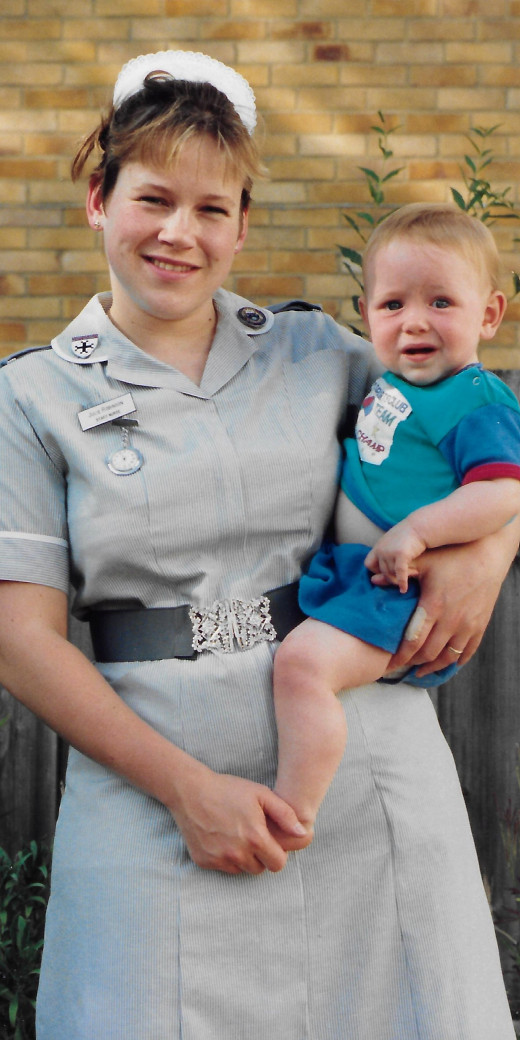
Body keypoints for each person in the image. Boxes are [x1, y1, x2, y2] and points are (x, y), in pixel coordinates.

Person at [0, 50, 517, 1040]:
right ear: (99, 202)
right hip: (155, 797)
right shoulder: (28, 396)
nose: (179, 234)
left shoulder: (319, 349)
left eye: (212, 209)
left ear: (242, 226)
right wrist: (187, 791)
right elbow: (21, 639)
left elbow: (486, 438)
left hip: (366, 774)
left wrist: (491, 554)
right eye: (154, 200)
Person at [273, 203, 520, 837]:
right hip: (360, 576)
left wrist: (417, 532)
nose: (414, 320)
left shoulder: (473, 399)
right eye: (392, 305)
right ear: (366, 314)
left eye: (441, 302)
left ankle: (294, 809)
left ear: (489, 314)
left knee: (301, 669)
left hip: (399, 589)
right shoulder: (399, 383)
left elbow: (502, 491)